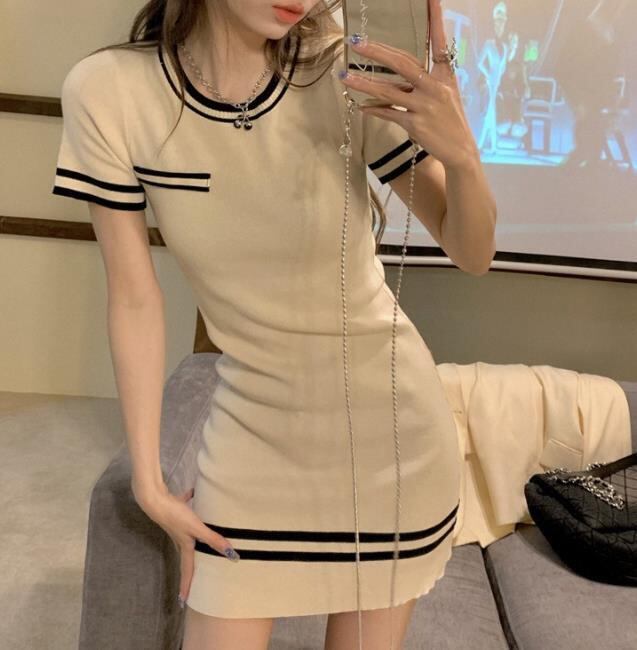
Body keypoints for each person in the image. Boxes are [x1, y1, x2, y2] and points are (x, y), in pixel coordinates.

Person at [51, 0, 496, 648]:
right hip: (251, 437)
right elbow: (134, 297)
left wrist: (463, 157)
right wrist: (148, 480)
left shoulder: (343, 71)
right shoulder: (109, 92)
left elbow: (472, 251)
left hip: (394, 444)